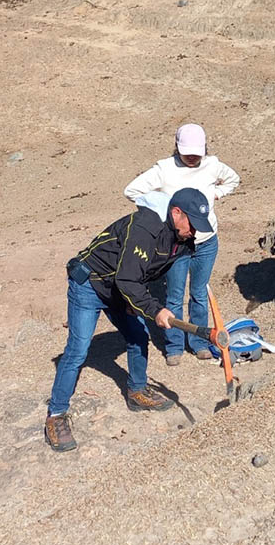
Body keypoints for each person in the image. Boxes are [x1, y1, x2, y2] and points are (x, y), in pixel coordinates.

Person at [45, 187, 214, 452]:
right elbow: (128, 278)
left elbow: (142, 273)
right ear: (176, 213)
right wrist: (155, 309)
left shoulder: (180, 241)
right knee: (78, 350)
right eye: (192, 223)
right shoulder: (145, 228)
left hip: (118, 287)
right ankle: (55, 415)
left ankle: (136, 392)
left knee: (138, 335)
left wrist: (132, 301)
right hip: (89, 283)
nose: (194, 231)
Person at [124, 123, 241, 366]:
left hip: (206, 242)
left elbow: (233, 180)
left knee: (199, 293)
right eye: (187, 153)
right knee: (175, 296)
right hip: (177, 245)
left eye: (196, 153)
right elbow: (132, 190)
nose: (192, 158)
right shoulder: (165, 169)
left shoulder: (212, 165)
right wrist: (162, 210)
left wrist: (216, 194)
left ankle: (199, 342)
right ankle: (174, 346)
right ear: (177, 147)